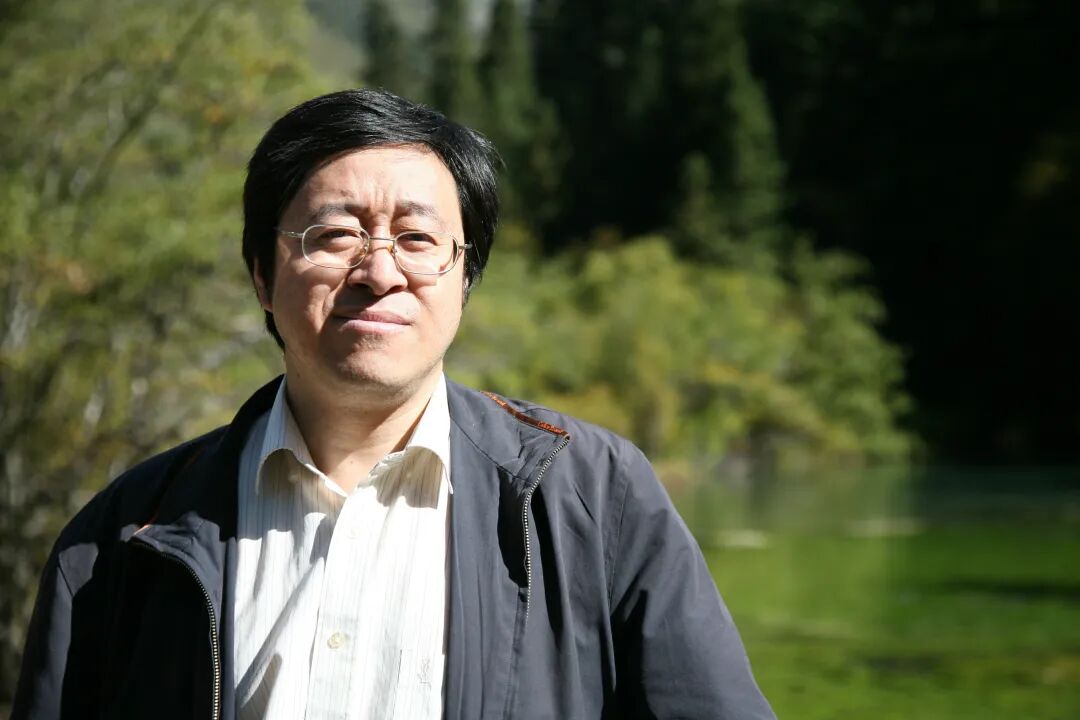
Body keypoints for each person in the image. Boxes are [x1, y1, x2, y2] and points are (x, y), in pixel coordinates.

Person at [13, 89, 775, 720]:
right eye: (335, 235)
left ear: (464, 279)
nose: (380, 273)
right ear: (261, 275)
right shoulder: (121, 539)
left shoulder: (596, 500)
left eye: (416, 239)